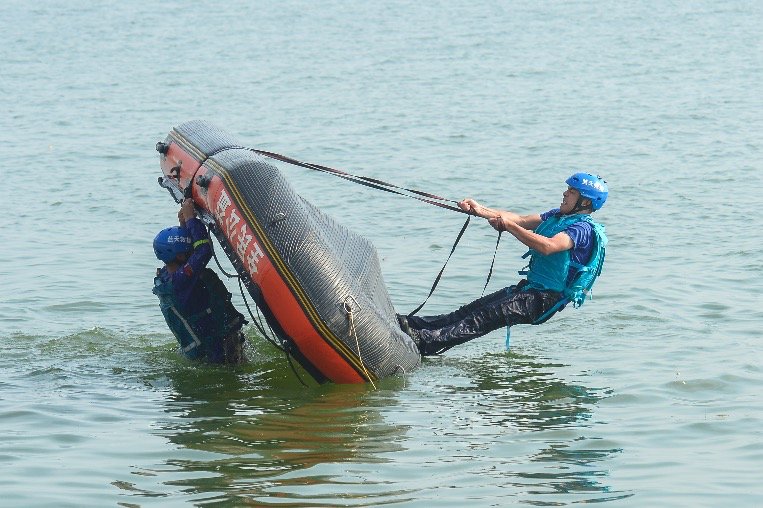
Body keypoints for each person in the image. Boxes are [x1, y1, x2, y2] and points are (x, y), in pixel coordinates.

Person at [398, 172, 608, 356]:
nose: (565, 193)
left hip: (544, 300)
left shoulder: (582, 229)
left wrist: (509, 227)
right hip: (529, 289)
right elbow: (521, 218)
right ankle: (413, 325)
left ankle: (424, 342)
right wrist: (479, 210)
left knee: (483, 317)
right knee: (469, 310)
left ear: (586, 202)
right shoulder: (557, 216)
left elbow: (549, 246)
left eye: (571, 191)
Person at [152, 198, 247, 364]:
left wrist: (184, 224)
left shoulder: (168, 275)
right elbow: (203, 251)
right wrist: (191, 220)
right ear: (179, 255)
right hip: (215, 352)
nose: (190, 249)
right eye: (186, 248)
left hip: (207, 348)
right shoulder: (181, 279)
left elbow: (189, 257)